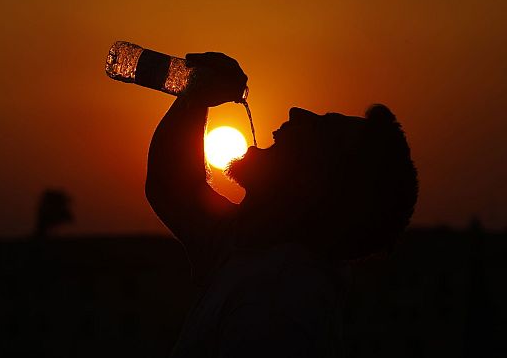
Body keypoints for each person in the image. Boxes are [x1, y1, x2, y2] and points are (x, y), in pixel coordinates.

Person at [146, 52, 418, 357]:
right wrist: (194, 95)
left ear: (313, 186)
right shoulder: (253, 246)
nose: (296, 113)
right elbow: (173, 187)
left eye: (320, 130)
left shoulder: (276, 303)